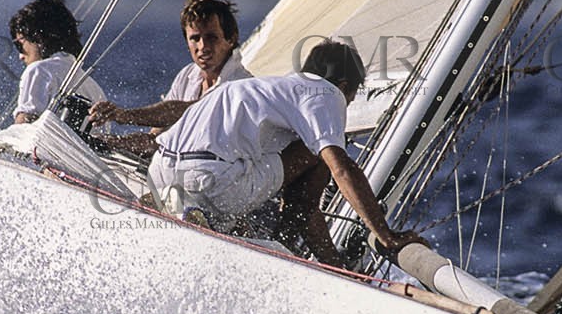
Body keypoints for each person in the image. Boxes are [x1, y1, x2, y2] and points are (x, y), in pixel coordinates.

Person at [149, 41, 419, 268]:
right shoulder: (325, 92)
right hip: (210, 182)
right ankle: (282, 249)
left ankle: (194, 211)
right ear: (344, 85)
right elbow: (341, 170)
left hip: (160, 171)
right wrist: (386, 236)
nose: (346, 105)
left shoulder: (257, 88)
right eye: (350, 97)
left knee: (279, 164)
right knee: (317, 154)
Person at [87, 0, 250, 153]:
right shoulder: (187, 75)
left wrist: (123, 115)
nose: (203, 46)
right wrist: (110, 142)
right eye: (195, 38)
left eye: (211, 38)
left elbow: (190, 111)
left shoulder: (241, 85)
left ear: (231, 39)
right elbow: (155, 139)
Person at [7, 0, 106, 124]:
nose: (20, 56)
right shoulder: (95, 90)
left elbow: (24, 125)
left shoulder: (39, 70)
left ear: (38, 38)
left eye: (19, 45)